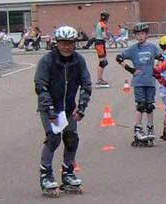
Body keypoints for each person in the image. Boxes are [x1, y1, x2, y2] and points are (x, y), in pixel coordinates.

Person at [33, 26, 92, 197]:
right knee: (53, 138)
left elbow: (86, 85)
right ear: (57, 43)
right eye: (63, 43)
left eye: (70, 43)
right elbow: (40, 85)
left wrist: (82, 107)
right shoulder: (47, 61)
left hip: (68, 108)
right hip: (51, 107)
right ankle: (46, 175)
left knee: (72, 138)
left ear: (75, 44)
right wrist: (50, 110)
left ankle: (68, 173)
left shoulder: (78, 61)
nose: (67, 47)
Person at [117, 23, 165, 147]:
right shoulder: (133, 49)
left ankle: (150, 128)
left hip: (150, 82)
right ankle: (138, 129)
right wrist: (131, 70)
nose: (140, 37)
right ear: (135, 36)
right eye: (138, 34)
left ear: (147, 35)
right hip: (138, 82)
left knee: (149, 106)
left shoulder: (152, 47)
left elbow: (161, 57)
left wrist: (157, 68)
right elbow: (119, 58)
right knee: (141, 105)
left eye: (142, 34)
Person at [93, 11, 112, 88]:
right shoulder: (103, 25)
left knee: (104, 61)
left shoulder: (98, 24)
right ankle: (99, 81)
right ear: (107, 18)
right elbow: (104, 35)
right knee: (102, 62)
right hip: (100, 43)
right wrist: (108, 38)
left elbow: (94, 34)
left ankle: (100, 79)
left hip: (99, 42)